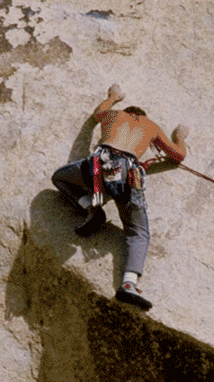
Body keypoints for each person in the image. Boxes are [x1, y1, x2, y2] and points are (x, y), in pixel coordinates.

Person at [51, 84, 188, 310]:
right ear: (141, 116)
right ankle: (128, 285)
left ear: (127, 112)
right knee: (138, 232)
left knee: (60, 178)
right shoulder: (150, 126)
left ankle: (91, 208)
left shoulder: (112, 114)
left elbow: (96, 114)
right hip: (127, 173)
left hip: (97, 166)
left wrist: (113, 97)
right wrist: (180, 137)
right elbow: (178, 156)